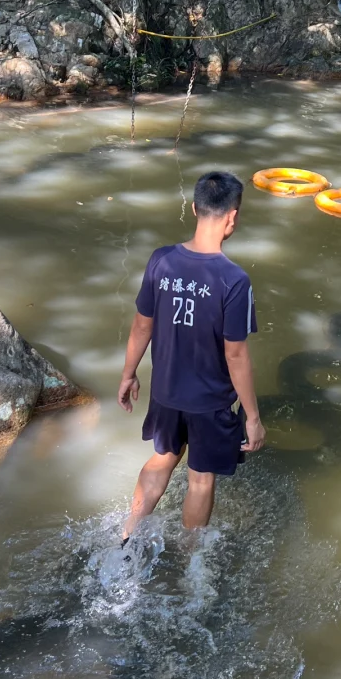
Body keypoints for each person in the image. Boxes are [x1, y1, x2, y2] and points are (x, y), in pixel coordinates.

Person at [117, 170, 265, 537]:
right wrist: (252, 417)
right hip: (209, 401)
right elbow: (235, 355)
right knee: (200, 479)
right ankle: (190, 560)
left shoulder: (161, 260)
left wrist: (128, 374)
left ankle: (127, 535)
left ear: (195, 208)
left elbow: (141, 326)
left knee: (163, 458)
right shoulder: (234, 280)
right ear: (233, 217)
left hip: (165, 392)